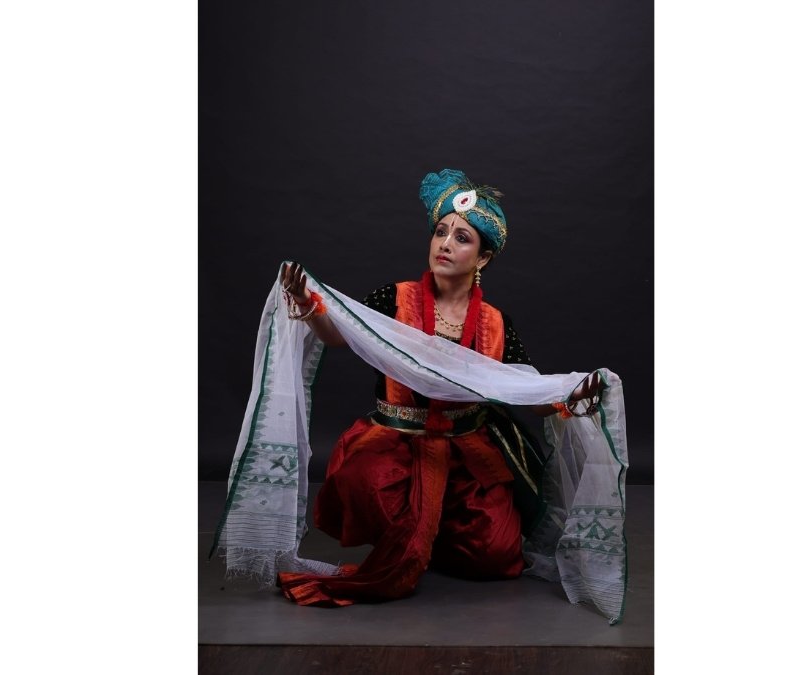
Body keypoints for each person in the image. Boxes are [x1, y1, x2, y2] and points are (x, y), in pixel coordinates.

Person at [213, 169, 630, 623]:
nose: (444, 244)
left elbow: (521, 388)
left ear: (483, 257)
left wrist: (569, 396)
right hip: (396, 442)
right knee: (367, 483)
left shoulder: (495, 323)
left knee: (498, 558)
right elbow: (340, 334)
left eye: (461, 238)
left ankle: (430, 536)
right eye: (440, 232)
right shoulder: (394, 298)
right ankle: (412, 535)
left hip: (466, 449)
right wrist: (310, 303)